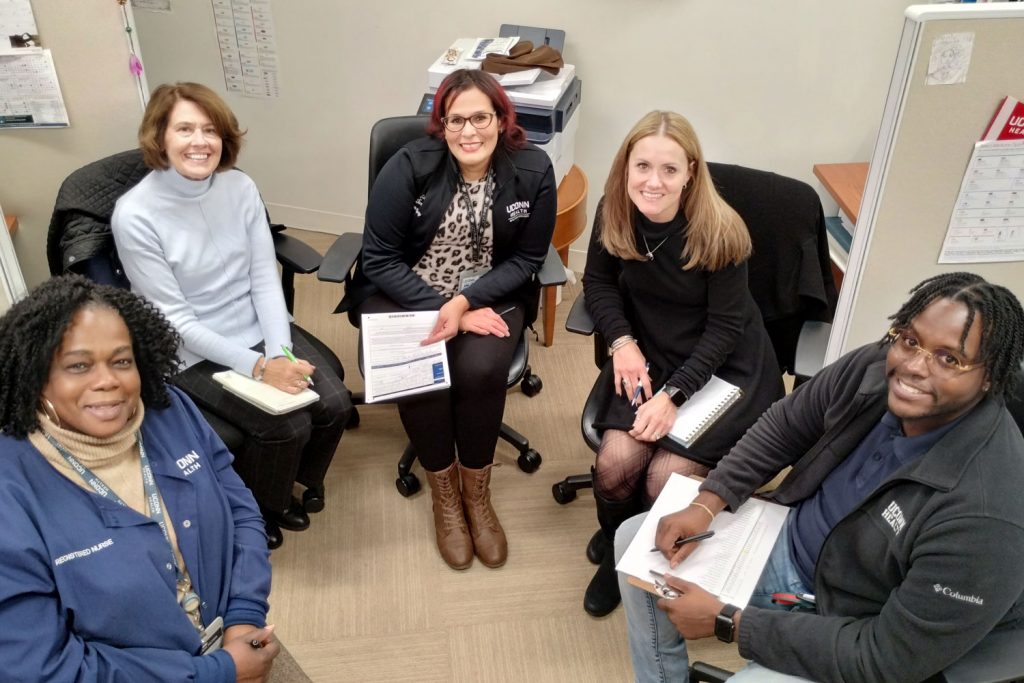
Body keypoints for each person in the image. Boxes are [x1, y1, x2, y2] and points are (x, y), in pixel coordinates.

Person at [617, 272, 1024, 682]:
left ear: (990, 377)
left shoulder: (986, 517)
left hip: (853, 619)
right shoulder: (875, 369)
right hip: (788, 542)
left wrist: (729, 622)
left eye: (949, 358)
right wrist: (708, 502)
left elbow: (886, 658)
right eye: (910, 340)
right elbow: (784, 427)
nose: (914, 367)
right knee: (635, 538)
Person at [0, 275, 279, 682]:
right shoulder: (10, 488)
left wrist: (244, 614)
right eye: (78, 365)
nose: (108, 380)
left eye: (121, 360)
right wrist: (215, 672)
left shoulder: (169, 410)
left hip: (234, 645)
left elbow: (240, 511)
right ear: (36, 374)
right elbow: (41, 667)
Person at [112, 82, 351, 549]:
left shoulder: (240, 186)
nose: (199, 141)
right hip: (190, 352)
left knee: (335, 404)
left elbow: (264, 277)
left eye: (210, 130)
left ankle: (292, 480)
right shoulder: (135, 215)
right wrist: (261, 367)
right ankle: (261, 508)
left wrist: (279, 350)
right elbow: (176, 323)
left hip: (259, 331)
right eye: (184, 129)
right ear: (160, 138)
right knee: (287, 424)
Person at [338, 69, 557, 570]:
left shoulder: (532, 168)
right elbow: (379, 258)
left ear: (502, 120)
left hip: (490, 292)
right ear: (441, 124)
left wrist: (467, 303)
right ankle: (446, 498)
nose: (469, 132)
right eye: (455, 119)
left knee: (480, 371)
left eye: (481, 117)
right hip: (403, 290)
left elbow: (526, 260)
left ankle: (476, 497)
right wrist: (445, 308)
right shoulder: (409, 164)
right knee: (420, 375)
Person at [581, 111, 784, 616]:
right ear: (626, 167)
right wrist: (621, 342)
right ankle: (617, 546)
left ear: (691, 171)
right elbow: (599, 284)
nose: (653, 182)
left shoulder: (721, 230)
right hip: (649, 350)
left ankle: (643, 553)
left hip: (723, 368)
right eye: (642, 166)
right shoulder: (614, 211)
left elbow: (724, 330)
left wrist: (673, 397)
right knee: (614, 466)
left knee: (663, 477)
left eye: (669, 169)